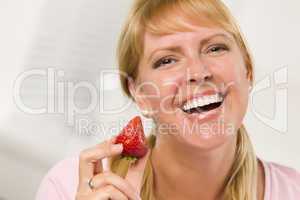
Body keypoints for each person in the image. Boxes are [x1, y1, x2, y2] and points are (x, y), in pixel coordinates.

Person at [36, 0, 300, 199]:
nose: (198, 72)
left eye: (215, 48)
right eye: (167, 60)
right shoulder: (70, 187)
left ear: (248, 69)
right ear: (140, 95)